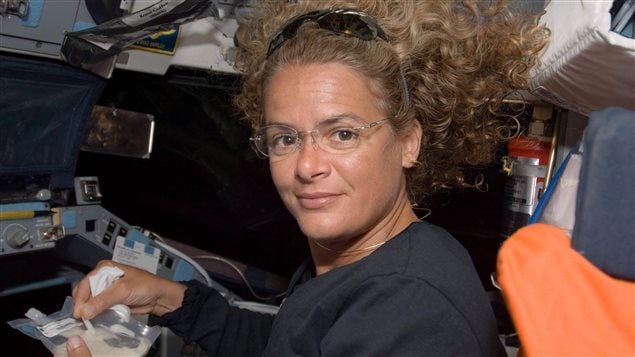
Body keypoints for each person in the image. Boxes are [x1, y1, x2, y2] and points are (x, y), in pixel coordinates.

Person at [66, 1, 548, 356]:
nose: (307, 165)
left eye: (341, 133)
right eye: (285, 138)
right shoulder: (370, 263)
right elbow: (292, 343)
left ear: (408, 142)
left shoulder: (413, 313)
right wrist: (172, 300)